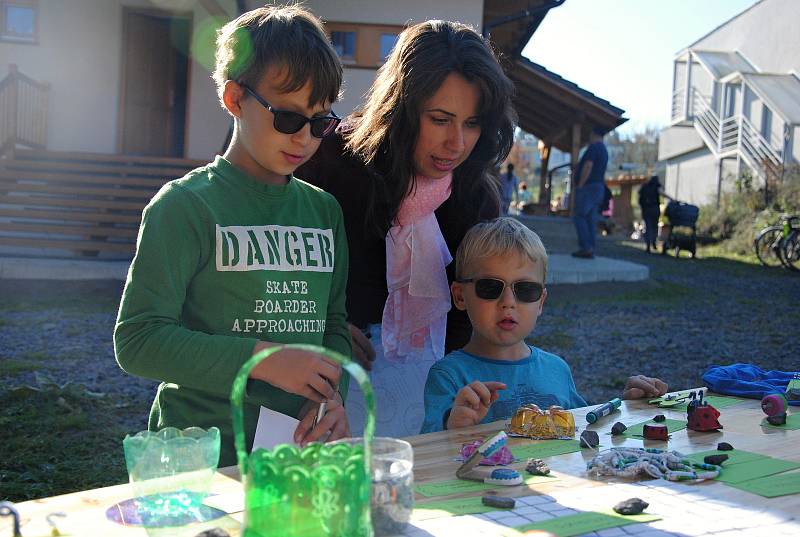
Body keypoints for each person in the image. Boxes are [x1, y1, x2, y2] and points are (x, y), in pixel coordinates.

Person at [114, 5, 351, 466]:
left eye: (320, 122)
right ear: (234, 98)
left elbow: (334, 327)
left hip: (294, 454)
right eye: (287, 118)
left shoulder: (323, 211)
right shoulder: (185, 206)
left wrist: (330, 395)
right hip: (199, 455)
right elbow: (138, 339)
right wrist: (261, 360)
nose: (304, 138)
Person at [298, 20, 515, 437]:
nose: (457, 143)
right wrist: (323, 325)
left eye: (472, 124)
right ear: (399, 109)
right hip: (327, 384)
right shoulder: (328, 164)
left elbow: (476, 310)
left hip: (436, 395)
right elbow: (278, 273)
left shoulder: (475, 197)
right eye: (440, 119)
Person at [420, 217, 668, 433]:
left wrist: (627, 405)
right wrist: (453, 426)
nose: (508, 302)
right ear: (460, 296)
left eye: (525, 290)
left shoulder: (557, 369)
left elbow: (587, 429)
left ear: (541, 302)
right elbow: (427, 452)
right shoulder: (448, 376)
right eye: (490, 287)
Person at [571, 127, 609, 259]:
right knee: (591, 219)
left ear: (593, 134)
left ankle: (586, 247)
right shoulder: (604, 150)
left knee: (579, 216)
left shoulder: (593, 148)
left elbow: (588, 165)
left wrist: (581, 183)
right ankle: (591, 247)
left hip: (589, 187)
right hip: (599, 187)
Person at [638, 175, 662, 253]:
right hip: (655, 209)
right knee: (654, 227)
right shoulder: (656, 187)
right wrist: (673, 199)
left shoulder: (644, 187)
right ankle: (653, 242)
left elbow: (640, 197)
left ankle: (648, 245)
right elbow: (662, 193)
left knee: (648, 227)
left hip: (646, 210)